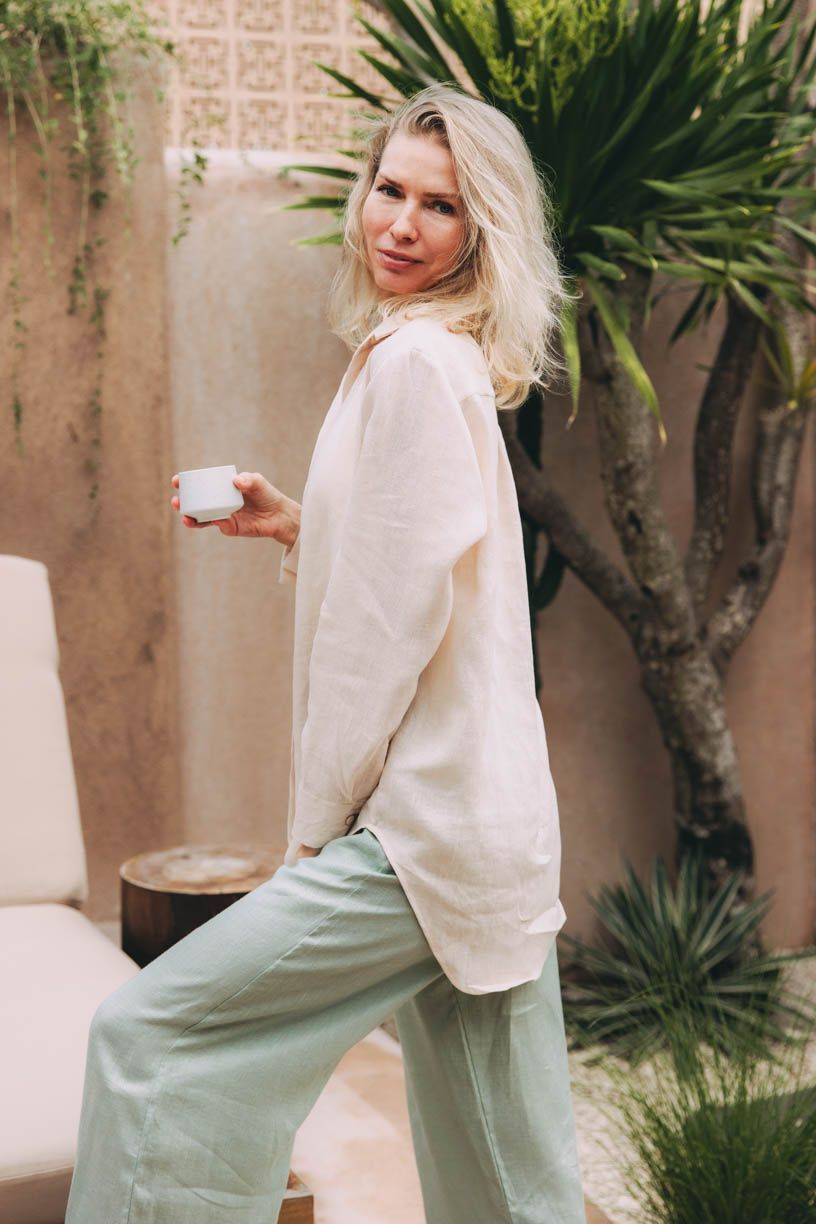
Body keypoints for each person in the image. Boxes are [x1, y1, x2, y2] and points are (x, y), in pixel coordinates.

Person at [65, 83, 586, 1223]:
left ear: (481, 231)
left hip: (419, 836)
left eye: (440, 206)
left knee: (152, 1041)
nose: (400, 223)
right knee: (509, 1181)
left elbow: (376, 642)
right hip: (483, 833)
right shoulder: (429, 356)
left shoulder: (414, 366)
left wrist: (311, 837)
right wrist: (303, 526)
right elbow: (426, 572)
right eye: (389, 189)